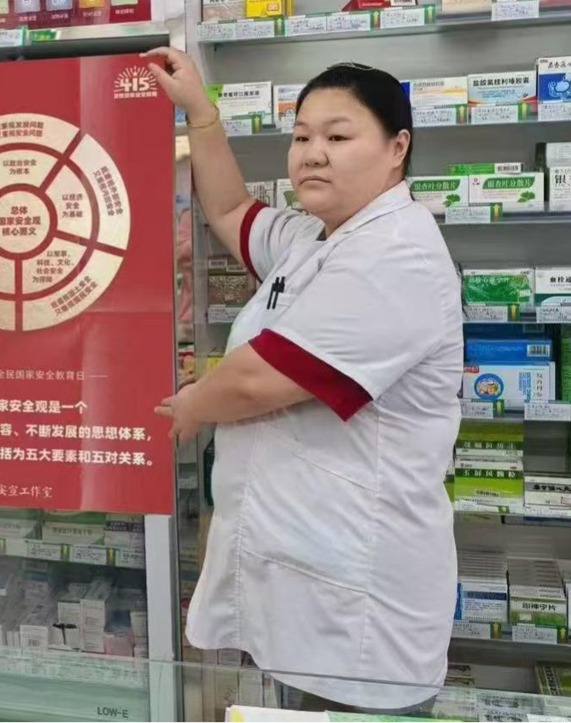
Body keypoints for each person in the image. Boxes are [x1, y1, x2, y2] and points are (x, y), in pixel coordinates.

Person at [147, 49, 461, 712]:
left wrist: (192, 404)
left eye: (338, 137)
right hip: (305, 577)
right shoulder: (314, 238)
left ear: (397, 147)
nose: (313, 154)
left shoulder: (397, 255)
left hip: (359, 607)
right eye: (301, 137)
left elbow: (257, 380)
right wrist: (200, 113)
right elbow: (230, 209)